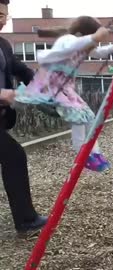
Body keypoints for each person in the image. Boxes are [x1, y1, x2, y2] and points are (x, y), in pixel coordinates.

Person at [8, 16, 113, 172]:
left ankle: (95, 152)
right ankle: (82, 155)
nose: (92, 43)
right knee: (77, 120)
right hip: (53, 86)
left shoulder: (82, 43)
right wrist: (94, 37)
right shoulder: (68, 40)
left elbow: (98, 52)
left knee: (90, 117)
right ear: (82, 33)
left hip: (66, 89)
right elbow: (71, 47)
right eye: (90, 37)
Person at [0, 0, 47, 235]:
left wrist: (39, 82)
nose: (2, 19)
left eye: (5, 15)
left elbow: (20, 69)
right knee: (14, 157)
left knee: (11, 157)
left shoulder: (4, 45)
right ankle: (26, 220)